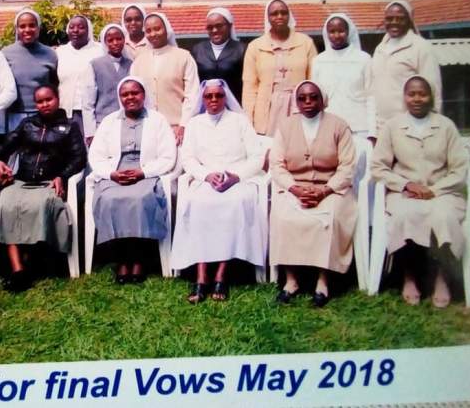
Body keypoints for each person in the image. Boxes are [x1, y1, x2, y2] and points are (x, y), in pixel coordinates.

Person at [370, 75, 468, 308]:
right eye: (411, 94)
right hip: (405, 192)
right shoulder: (392, 126)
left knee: (443, 216)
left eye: (422, 94)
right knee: (406, 215)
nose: (417, 99)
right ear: (404, 98)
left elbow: (460, 170)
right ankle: (409, 276)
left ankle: (441, 277)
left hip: (442, 192)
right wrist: (405, 185)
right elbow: (378, 167)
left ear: (431, 96)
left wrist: (434, 190)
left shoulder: (446, 126)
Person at [171, 79, 266, 303]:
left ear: (226, 98)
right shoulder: (194, 123)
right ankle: (201, 277)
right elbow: (188, 158)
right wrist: (206, 175)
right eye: (209, 96)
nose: (214, 100)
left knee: (234, 203)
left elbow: (257, 157)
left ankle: (221, 276)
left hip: (238, 180)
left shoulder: (240, 121)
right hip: (206, 179)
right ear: (203, 100)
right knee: (199, 204)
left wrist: (235, 176)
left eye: (218, 96)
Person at [0, 84, 86, 292]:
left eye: (48, 99)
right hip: (21, 181)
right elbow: (4, 147)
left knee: (39, 207)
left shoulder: (69, 127)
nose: (44, 105)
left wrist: (63, 176)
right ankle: (18, 270)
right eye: (40, 101)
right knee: (5, 206)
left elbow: (79, 158)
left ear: (57, 99)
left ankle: (30, 262)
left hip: (49, 182)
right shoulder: (27, 124)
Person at [269, 80, 357, 307]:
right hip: (295, 187)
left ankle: (323, 281)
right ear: (296, 101)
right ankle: (291, 280)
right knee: (284, 216)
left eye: (313, 97)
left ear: (322, 99)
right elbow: (277, 165)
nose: (308, 102)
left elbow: (347, 167)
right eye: (302, 98)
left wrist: (324, 191)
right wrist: (295, 189)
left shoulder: (339, 126)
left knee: (329, 217)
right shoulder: (285, 126)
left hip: (330, 188)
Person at [89, 77, 176, 284]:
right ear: (120, 97)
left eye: (134, 93)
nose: (130, 98)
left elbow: (168, 156)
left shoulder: (157, 120)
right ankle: (121, 259)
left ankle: (138, 260)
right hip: (115, 172)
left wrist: (142, 172)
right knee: (109, 198)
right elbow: (96, 156)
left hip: (146, 172)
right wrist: (112, 174)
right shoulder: (110, 121)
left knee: (140, 198)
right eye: (125, 94)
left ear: (143, 95)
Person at [243, 0, 318, 136]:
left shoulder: (306, 43)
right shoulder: (255, 46)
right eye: (274, 14)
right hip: (267, 109)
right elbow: (249, 87)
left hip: (298, 106)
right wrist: (249, 118)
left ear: (289, 15)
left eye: (283, 13)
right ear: (268, 17)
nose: (279, 17)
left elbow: (314, 79)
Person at [371, 0, 442, 136]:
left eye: (400, 19)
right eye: (389, 18)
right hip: (381, 128)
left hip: (411, 128)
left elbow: (434, 91)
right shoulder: (380, 48)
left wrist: (433, 129)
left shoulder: (421, 47)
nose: (394, 22)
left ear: (409, 20)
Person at [130, 12, 200, 145]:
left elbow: (192, 94)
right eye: (148, 30)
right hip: (147, 127)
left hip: (177, 129)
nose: (153, 34)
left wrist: (183, 125)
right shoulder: (138, 61)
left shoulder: (184, 57)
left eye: (157, 28)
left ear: (166, 29)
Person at [312, 14, 375, 142]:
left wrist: (373, 131)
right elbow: (316, 98)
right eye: (332, 31)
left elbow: (371, 96)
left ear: (348, 31)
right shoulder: (319, 61)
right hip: (329, 127)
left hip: (360, 127)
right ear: (326, 33)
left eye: (341, 31)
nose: (336, 35)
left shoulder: (363, 59)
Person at [2, 9, 59, 131]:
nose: (27, 30)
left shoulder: (50, 54)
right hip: (14, 115)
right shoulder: (5, 54)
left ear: (38, 28)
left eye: (32, 25)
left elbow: (54, 84)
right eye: (22, 26)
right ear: (16, 29)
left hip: (42, 115)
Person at [82, 23, 133, 144]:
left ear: (124, 40)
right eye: (110, 40)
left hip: (128, 122)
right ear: (105, 43)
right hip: (102, 123)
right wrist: (90, 132)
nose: (115, 43)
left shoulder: (131, 64)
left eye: (119, 39)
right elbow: (88, 102)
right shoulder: (95, 65)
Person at [56, 15, 104, 134]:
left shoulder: (100, 51)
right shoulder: (60, 52)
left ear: (89, 31)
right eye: (72, 27)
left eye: (81, 27)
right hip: (65, 111)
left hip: (92, 112)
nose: (75, 30)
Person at [190, 8, 248, 102]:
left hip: (235, 106)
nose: (214, 30)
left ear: (230, 26)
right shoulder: (197, 50)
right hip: (206, 107)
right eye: (210, 27)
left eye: (219, 26)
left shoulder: (242, 50)